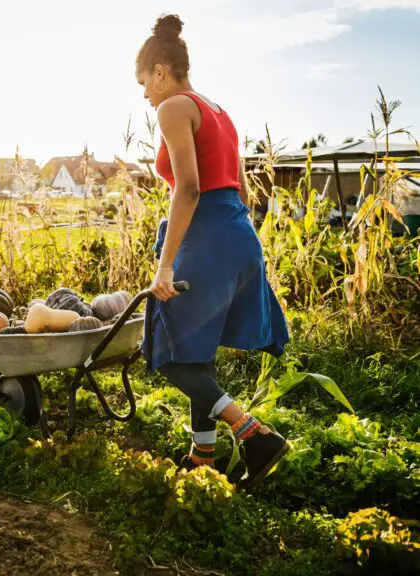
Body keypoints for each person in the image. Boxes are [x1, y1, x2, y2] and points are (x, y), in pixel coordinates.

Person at [136, 14, 291, 488]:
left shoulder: (173, 108)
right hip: (238, 236)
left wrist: (165, 265)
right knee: (196, 351)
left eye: (144, 82)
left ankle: (254, 434)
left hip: (207, 239)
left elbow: (187, 190)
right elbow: (241, 190)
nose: (145, 94)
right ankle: (203, 454)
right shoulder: (219, 111)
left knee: (168, 353)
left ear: (161, 71)